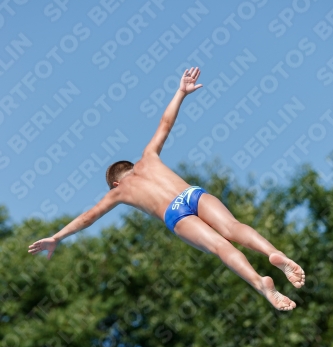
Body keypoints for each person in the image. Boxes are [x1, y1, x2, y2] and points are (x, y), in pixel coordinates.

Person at [28, 67, 305, 310]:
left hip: (175, 213)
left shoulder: (119, 191)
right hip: (191, 194)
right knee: (232, 227)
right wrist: (181, 92)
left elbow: (88, 217)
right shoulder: (148, 157)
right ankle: (272, 253)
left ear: (115, 182)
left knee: (221, 246)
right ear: (130, 165)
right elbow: (165, 123)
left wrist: (57, 237)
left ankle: (259, 283)